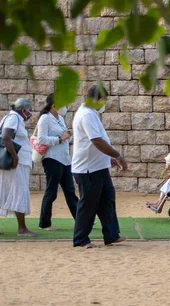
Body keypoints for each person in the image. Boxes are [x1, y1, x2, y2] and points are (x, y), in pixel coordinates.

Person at [71, 84, 127, 248]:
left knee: (107, 200)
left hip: (98, 167)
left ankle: (111, 235)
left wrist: (106, 159)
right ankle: (80, 239)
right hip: (87, 169)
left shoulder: (91, 114)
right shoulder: (86, 115)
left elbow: (98, 141)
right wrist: (117, 155)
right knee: (89, 204)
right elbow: (96, 140)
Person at [0, 98, 37, 237]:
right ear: (22, 110)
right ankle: (22, 229)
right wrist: (15, 157)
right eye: (29, 110)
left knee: (1, 192)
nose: (30, 112)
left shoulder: (13, 118)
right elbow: (6, 137)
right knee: (19, 191)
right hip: (14, 164)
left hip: (10, 163)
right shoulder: (14, 118)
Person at [36, 93, 78, 231]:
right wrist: (60, 138)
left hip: (65, 159)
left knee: (70, 190)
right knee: (51, 191)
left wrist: (68, 136)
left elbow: (66, 138)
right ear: (53, 105)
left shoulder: (60, 117)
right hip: (52, 159)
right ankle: (45, 223)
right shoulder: (45, 118)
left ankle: (80, 218)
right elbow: (41, 139)